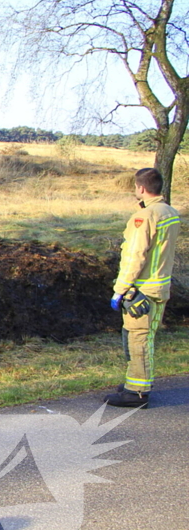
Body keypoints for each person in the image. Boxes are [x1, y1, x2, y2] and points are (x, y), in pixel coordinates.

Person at [105, 167, 181, 408]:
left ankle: (136, 392)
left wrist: (121, 288)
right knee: (145, 338)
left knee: (137, 338)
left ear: (140, 188)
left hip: (143, 289)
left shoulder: (145, 216)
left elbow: (135, 255)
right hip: (161, 286)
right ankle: (136, 382)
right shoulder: (170, 212)